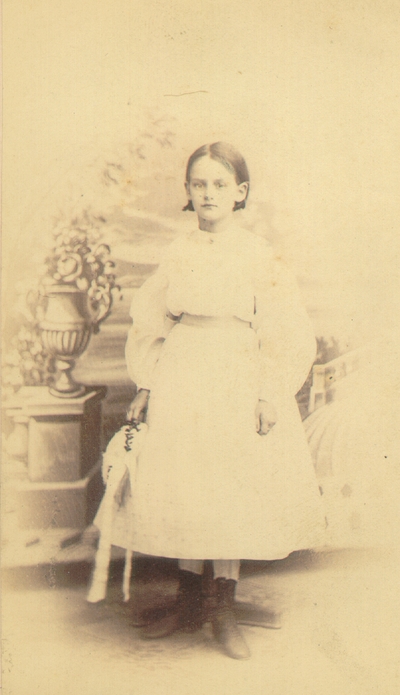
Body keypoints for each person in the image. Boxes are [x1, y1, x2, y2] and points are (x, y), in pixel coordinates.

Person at [124, 142, 325, 659]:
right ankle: (189, 600)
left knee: (230, 485)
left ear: (240, 193)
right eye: (198, 184)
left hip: (235, 372)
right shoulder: (178, 251)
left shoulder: (257, 253)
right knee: (189, 480)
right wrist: (147, 385)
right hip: (182, 373)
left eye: (219, 185)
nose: (208, 193)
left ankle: (223, 605)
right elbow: (153, 319)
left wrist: (269, 392)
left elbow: (283, 329)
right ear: (187, 193)